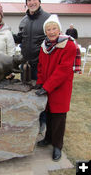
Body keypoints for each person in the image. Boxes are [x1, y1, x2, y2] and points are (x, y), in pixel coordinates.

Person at [35, 15, 77, 161]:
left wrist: (47, 87)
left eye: (54, 28)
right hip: (47, 86)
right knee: (48, 114)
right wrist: (40, 83)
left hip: (60, 88)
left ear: (59, 29)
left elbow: (63, 70)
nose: (51, 32)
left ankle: (57, 145)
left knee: (59, 117)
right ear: (45, 31)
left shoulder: (69, 45)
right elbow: (40, 66)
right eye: (48, 29)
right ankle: (48, 138)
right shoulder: (44, 46)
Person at [14, 0, 50, 133]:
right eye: (29, 0)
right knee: (26, 93)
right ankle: (28, 121)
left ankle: (42, 123)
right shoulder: (24, 20)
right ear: (26, 3)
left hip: (41, 65)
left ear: (39, 1)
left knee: (41, 95)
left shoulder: (48, 18)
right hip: (26, 65)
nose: (32, 2)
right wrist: (5, 34)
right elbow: (20, 38)